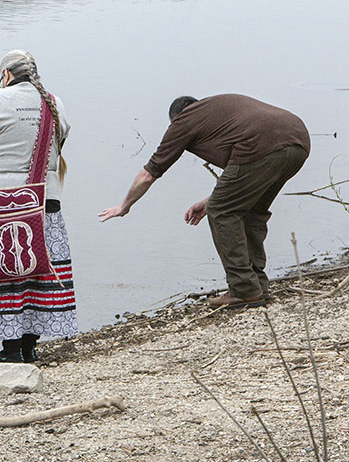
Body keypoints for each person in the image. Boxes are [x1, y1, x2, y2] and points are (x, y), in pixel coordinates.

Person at [99, 94, 310, 308]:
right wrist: (210, 200)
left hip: (260, 146)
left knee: (222, 212)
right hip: (298, 141)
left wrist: (124, 206)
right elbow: (242, 181)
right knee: (251, 211)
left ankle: (244, 290)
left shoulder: (184, 121)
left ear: (175, 118)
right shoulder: (216, 113)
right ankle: (257, 286)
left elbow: (148, 174)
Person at [0, 50, 78, 363]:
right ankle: (30, 347)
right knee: (38, 270)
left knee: (3, 271)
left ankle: (10, 350)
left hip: (0, 201)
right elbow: (58, 147)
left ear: (7, 75)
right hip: (45, 201)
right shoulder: (56, 103)